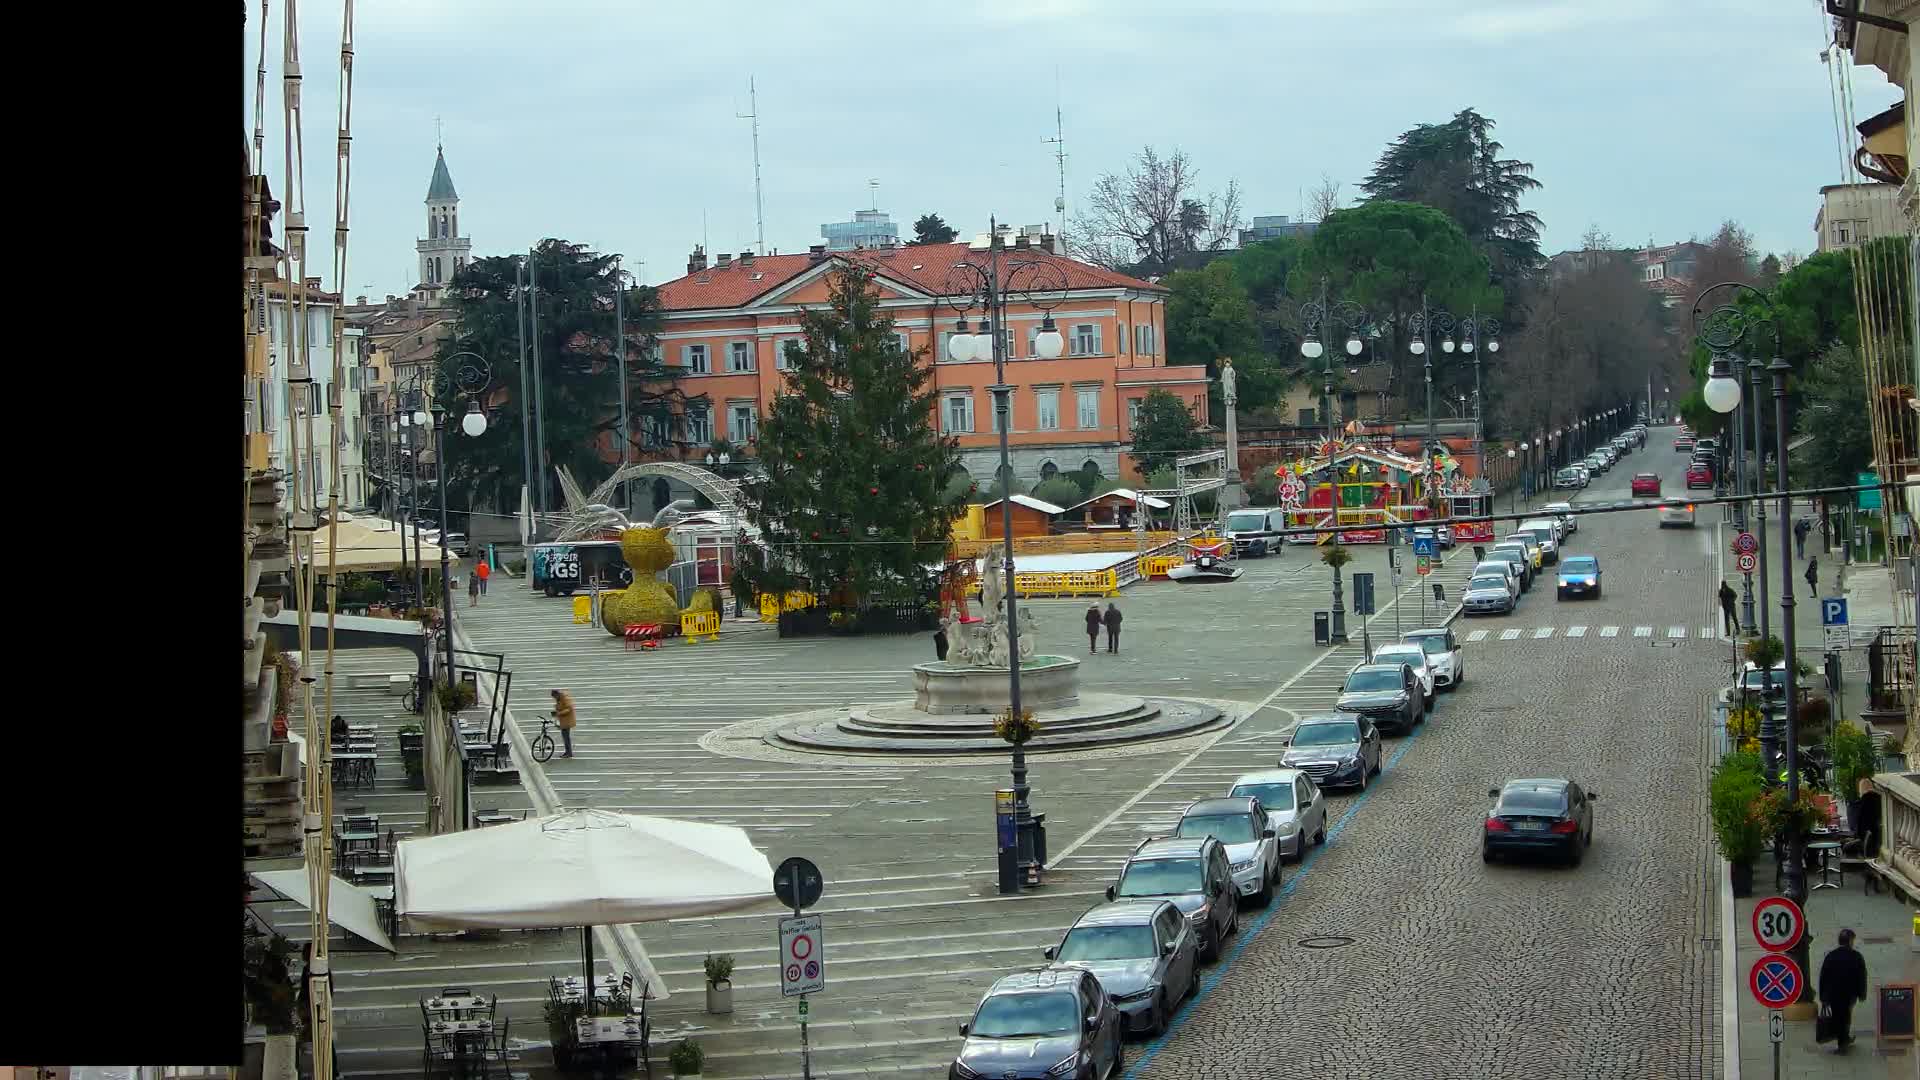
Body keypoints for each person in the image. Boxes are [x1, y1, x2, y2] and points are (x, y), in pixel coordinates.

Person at [1816, 928, 1869, 1053]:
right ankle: (1843, 1041)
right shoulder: (1856, 956)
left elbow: (1823, 976)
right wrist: (1862, 993)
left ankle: (1842, 1038)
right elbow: (1861, 976)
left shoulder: (1831, 956)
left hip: (1833, 993)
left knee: (1838, 1016)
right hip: (1849, 994)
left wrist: (1823, 996)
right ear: (1850, 941)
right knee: (1845, 1016)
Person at [551, 688, 577, 758]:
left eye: (554, 696)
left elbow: (569, 709)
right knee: (565, 737)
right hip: (563, 720)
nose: (554, 698)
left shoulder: (565, 698)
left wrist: (559, 713)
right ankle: (567, 752)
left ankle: (569, 753)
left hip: (567, 720)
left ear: (557, 694)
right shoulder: (559, 698)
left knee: (566, 737)